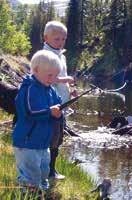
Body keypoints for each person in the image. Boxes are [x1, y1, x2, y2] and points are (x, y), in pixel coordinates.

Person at [12, 50, 62, 191]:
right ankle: (27, 193)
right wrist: (49, 111)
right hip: (27, 142)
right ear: (36, 70)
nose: (52, 79)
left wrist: (59, 113)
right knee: (30, 173)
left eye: (55, 76)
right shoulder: (29, 88)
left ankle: (42, 191)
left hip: (42, 142)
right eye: (49, 75)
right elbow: (29, 112)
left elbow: (57, 106)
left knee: (43, 170)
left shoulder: (50, 90)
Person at [43, 20, 76, 180]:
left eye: (63, 39)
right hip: (51, 104)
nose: (61, 42)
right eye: (57, 39)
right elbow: (46, 77)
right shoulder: (45, 56)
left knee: (59, 137)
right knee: (53, 137)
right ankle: (48, 171)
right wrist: (65, 80)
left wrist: (71, 90)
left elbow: (62, 78)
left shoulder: (61, 56)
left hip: (62, 103)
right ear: (46, 38)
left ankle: (51, 169)